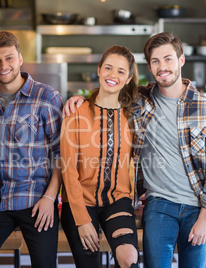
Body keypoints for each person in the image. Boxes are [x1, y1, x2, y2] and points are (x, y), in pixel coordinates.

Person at [64, 32, 206, 268]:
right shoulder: (141, 100)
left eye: (168, 59)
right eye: (155, 61)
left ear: (181, 60)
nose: (163, 67)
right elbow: (109, 93)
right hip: (158, 203)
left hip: (197, 205)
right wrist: (77, 99)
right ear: (149, 66)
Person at [0, 31, 63, 268]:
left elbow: (62, 155)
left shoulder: (47, 97)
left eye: (9, 58)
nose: (3, 66)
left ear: (20, 58)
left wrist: (50, 198)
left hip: (37, 199)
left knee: (45, 264)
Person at [60, 45, 140, 268]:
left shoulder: (133, 115)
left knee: (129, 259)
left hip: (117, 200)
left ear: (129, 77)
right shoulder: (75, 113)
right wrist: (83, 220)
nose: (113, 75)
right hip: (79, 203)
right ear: (98, 70)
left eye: (121, 71)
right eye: (108, 68)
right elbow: (68, 169)